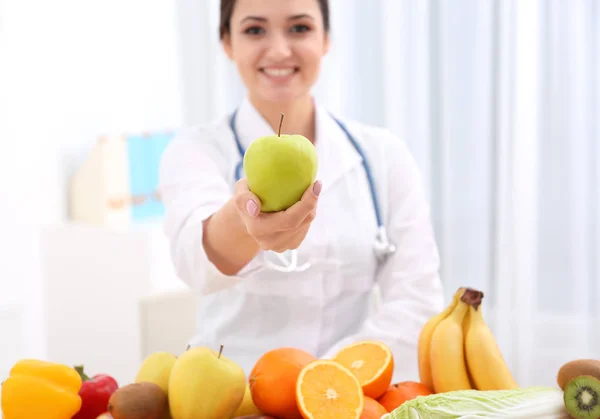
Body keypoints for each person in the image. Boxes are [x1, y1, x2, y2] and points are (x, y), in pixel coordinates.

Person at [158, 0, 445, 383]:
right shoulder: (196, 149)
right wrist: (245, 223)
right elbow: (197, 261)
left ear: (326, 39)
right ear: (227, 42)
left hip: (345, 393)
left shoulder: (383, 155)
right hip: (233, 395)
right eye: (255, 30)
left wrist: (323, 380)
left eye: (299, 28)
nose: (279, 50)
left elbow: (416, 300)